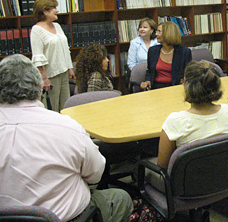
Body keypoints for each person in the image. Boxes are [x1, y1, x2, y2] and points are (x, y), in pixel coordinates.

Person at [0, 54, 133, 222]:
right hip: (70, 217)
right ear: (39, 87)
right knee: (120, 198)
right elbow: (95, 175)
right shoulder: (66, 127)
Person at [145, 60, 228, 190]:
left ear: (187, 85)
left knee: (141, 169)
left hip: (187, 187)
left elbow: (162, 166)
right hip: (224, 179)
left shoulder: (175, 121)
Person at [30, 0, 75, 112]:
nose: (57, 10)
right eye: (54, 8)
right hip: (50, 75)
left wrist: (70, 68)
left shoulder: (58, 26)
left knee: (66, 108)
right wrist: (44, 79)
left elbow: (65, 49)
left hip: (63, 72)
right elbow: (37, 56)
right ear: (45, 11)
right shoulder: (36, 30)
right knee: (52, 108)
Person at [141, 21, 192, 90]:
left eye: (159, 32)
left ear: (168, 33)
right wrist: (147, 81)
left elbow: (188, 73)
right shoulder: (153, 51)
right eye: (156, 31)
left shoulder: (184, 52)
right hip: (156, 88)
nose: (156, 34)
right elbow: (150, 71)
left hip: (175, 88)